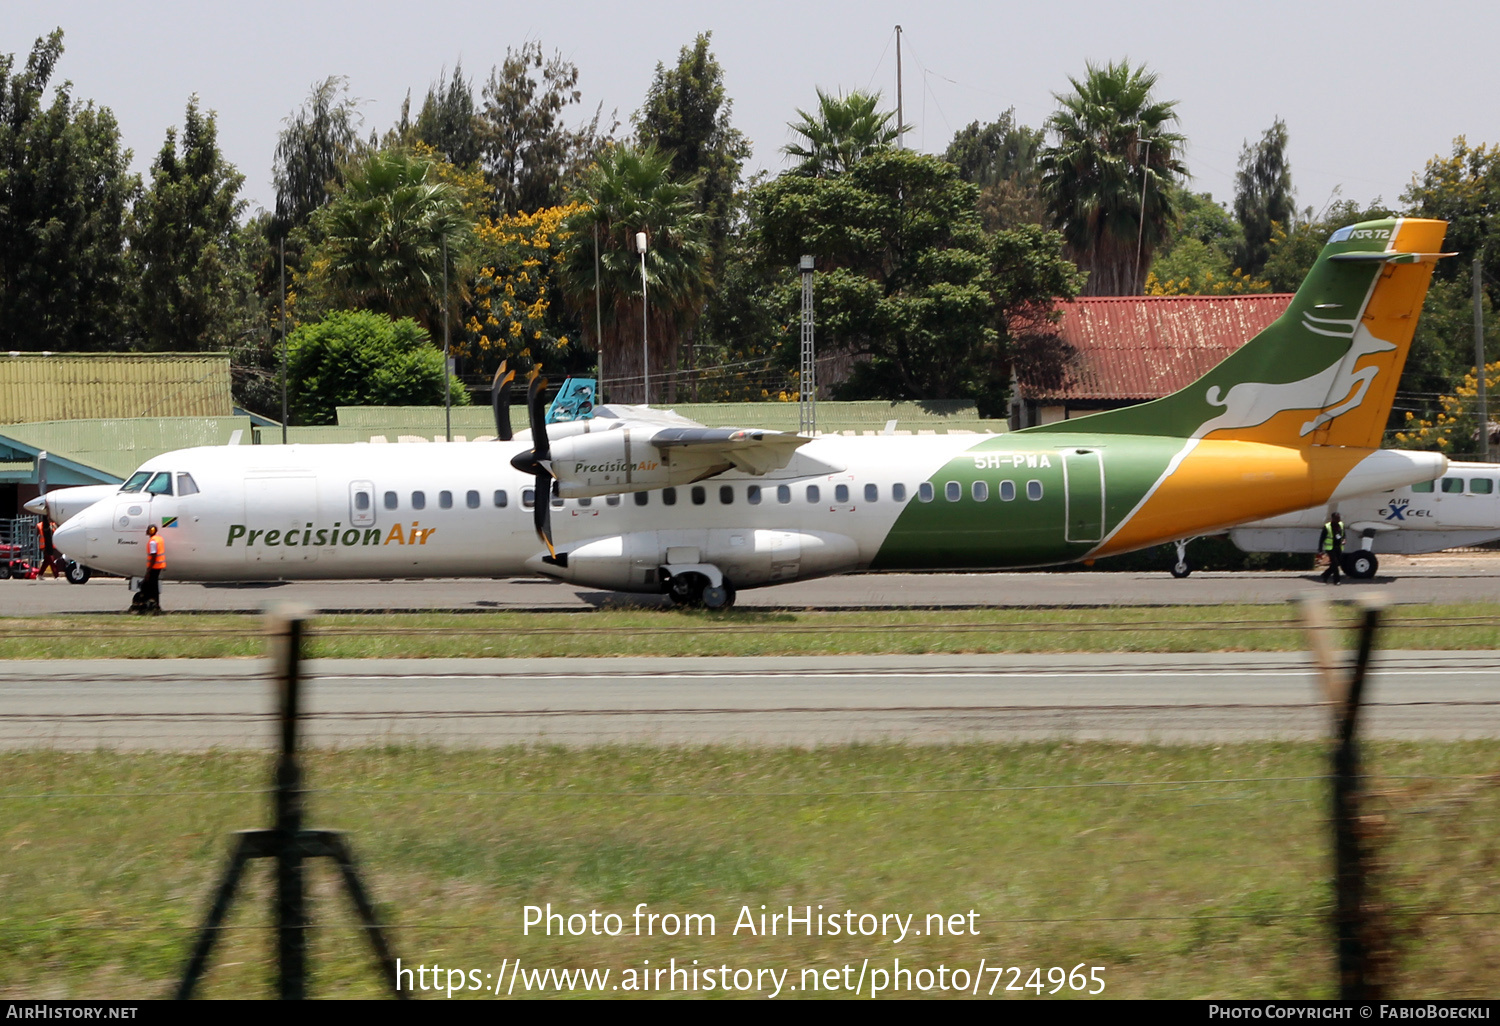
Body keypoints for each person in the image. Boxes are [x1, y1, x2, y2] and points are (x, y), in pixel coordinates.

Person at [133, 524, 166, 613]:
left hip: (154, 567)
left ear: (151, 531)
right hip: (159, 566)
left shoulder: (152, 541)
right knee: (153, 586)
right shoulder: (159, 538)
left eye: (147, 530)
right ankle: (155, 604)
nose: (146, 531)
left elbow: (153, 555)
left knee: (149, 586)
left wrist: (148, 570)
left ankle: (150, 604)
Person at [1319, 511, 1345, 585]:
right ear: (1332, 519)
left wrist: (1344, 539)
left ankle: (1325, 575)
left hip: (1338, 547)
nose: (1338, 520)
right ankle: (1336, 580)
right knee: (1335, 563)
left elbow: (1343, 534)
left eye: (1339, 518)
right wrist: (1320, 549)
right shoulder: (1327, 527)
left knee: (1337, 563)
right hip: (1330, 548)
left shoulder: (1341, 525)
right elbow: (1322, 538)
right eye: (1337, 518)